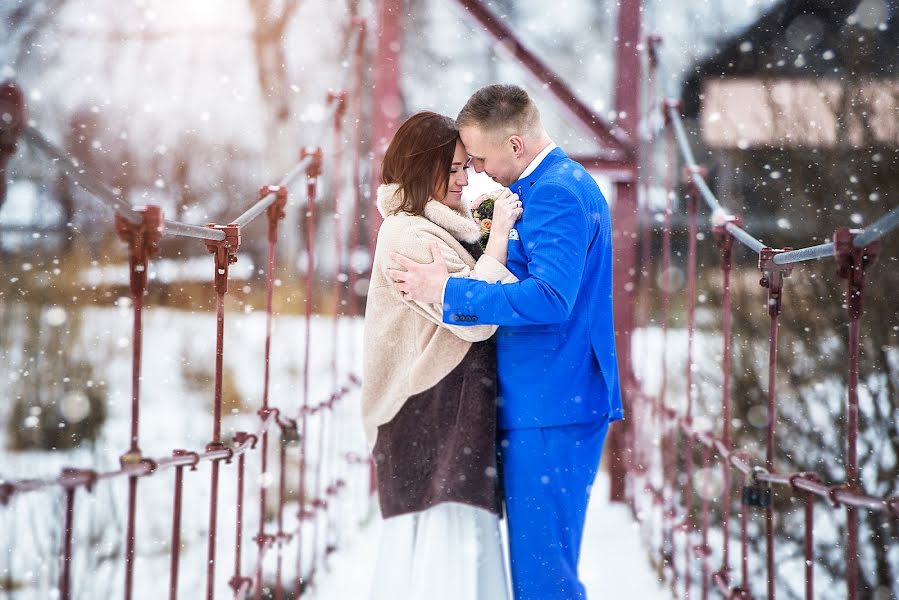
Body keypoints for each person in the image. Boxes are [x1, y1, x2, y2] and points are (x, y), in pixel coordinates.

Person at [388, 85, 622, 600]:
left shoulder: (558, 190)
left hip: (552, 404)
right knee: (538, 571)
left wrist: (448, 291)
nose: (476, 172)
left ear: (514, 145)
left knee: (543, 578)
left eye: (480, 158)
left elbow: (550, 298)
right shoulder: (544, 187)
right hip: (543, 402)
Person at [361, 110, 523, 599]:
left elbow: (483, 292)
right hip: (428, 407)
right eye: (451, 168)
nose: (463, 179)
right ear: (418, 167)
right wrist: (498, 237)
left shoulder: (441, 228)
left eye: (465, 167)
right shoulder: (409, 235)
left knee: (448, 542)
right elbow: (479, 318)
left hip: (442, 405)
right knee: (446, 542)